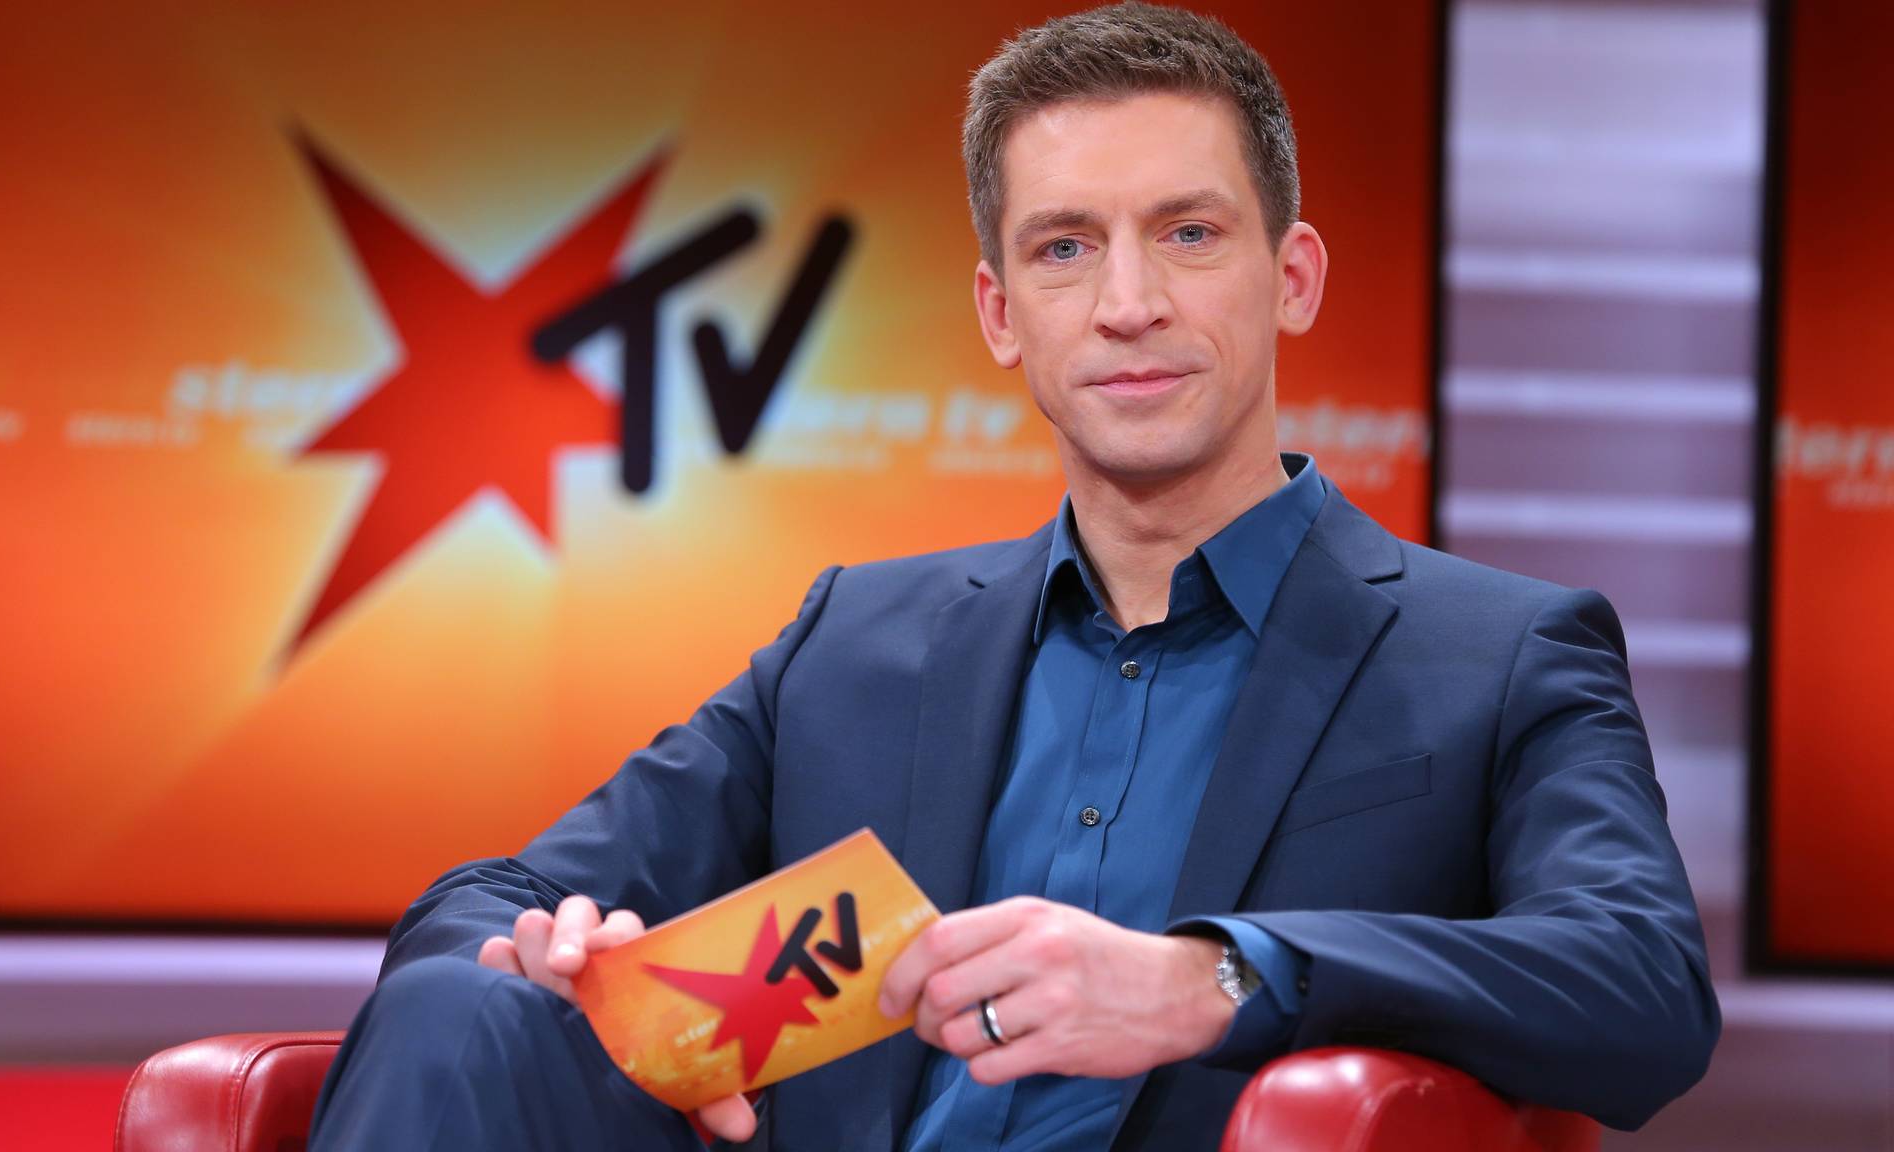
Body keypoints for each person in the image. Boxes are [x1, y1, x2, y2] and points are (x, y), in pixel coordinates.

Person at [308, 4, 1720, 1149]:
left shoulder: (1498, 655)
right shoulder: (856, 642)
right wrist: (551, 947)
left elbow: (1642, 986)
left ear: (1292, 277)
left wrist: (1217, 978)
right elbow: (482, 897)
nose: (1128, 305)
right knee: (459, 1008)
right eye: (1064, 249)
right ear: (1001, 312)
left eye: (1188, 233)